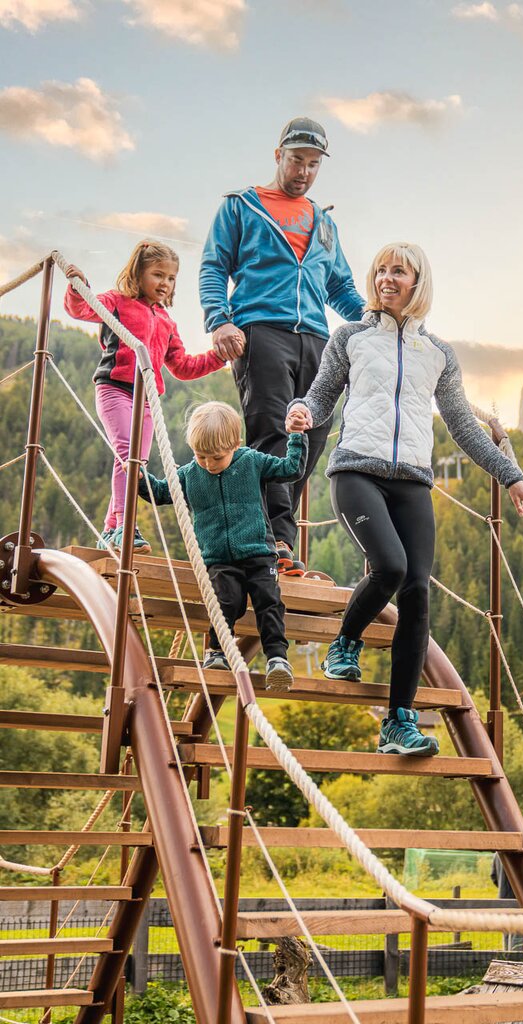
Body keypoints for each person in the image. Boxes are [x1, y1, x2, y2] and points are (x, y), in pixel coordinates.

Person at [285, 242, 523, 756]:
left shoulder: (439, 354)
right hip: (356, 471)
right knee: (391, 568)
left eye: (397, 271)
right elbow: (320, 395)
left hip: (413, 482)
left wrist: (512, 477)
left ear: (417, 281)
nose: (386, 278)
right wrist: (302, 411)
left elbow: (464, 427)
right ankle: (345, 642)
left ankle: (398, 722)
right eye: (380, 270)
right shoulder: (351, 338)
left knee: (418, 592)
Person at [199, 117, 365, 577]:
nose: (304, 171)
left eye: (313, 164)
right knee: (273, 431)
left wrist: (376, 322)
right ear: (278, 155)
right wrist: (219, 321)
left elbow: (341, 287)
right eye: (297, 160)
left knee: (310, 434)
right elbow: (213, 266)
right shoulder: (241, 207)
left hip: (316, 336)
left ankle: (272, 535)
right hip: (259, 329)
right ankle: (276, 541)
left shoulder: (325, 223)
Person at [63, 243, 226, 555]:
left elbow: (183, 366)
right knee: (127, 454)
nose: (165, 283)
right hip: (115, 389)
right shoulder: (117, 301)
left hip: (147, 401)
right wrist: (77, 287)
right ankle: (125, 524)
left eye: (172, 278)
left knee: (136, 461)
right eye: (158, 274)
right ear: (138, 274)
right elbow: (81, 308)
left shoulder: (166, 321)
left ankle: (111, 528)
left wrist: (218, 357)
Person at [139, 402, 307, 692]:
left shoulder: (251, 461)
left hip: (258, 551)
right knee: (224, 602)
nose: (208, 463)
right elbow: (161, 492)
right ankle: (217, 652)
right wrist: (139, 477)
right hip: (218, 558)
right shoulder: (190, 474)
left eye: (216, 457)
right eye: (200, 455)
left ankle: (277, 659)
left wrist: (295, 437)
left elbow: (290, 469)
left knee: (269, 602)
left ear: (235, 445)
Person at [491, 853, 523, 953]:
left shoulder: (497, 854)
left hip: (503, 898)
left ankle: (506, 957)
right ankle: (516, 960)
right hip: (518, 898)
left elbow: (493, 876)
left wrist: (502, 888)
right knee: (518, 932)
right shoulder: (519, 854)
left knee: (506, 931)